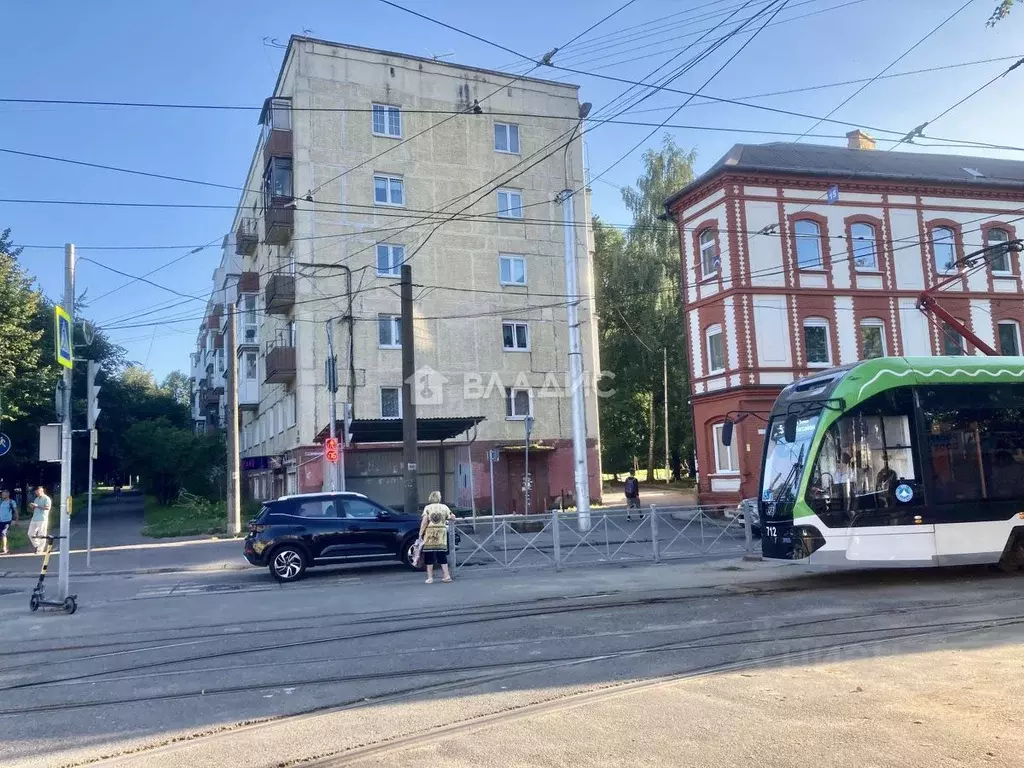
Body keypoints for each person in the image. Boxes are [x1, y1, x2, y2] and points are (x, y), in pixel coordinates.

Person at [419, 490, 454, 584]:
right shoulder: (444, 507)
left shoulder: (428, 508)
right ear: (439, 498)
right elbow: (452, 517)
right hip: (441, 533)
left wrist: (420, 533)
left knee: (429, 555)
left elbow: (424, 521)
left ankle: (430, 578)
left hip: (430, 534)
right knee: (442, 555)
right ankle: (446, 576)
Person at [28, 486, 52, 555]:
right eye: (36, 492)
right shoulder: (36, 499)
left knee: (42, 534)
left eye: (37, 492)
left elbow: (47, 508)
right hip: (35, 518)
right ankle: (37, 545)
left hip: (42, 518)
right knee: (30, 533)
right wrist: (32, 506)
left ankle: (40, 549)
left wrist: (37, 506)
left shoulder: (46, 498)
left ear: (41, 491)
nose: (36, 493)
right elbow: (35, 508)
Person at [0, 490, 17, 555]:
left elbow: (15, 511)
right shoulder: (1, 501)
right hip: (0, 520)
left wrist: (16, 520)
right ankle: (5, 547)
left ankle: (4, 548)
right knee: (2, 534)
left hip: (7, 521)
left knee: (3, 533)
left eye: (4, 494)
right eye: (2, 494)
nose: (2, 495)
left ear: (8, 494)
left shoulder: (11, 502)